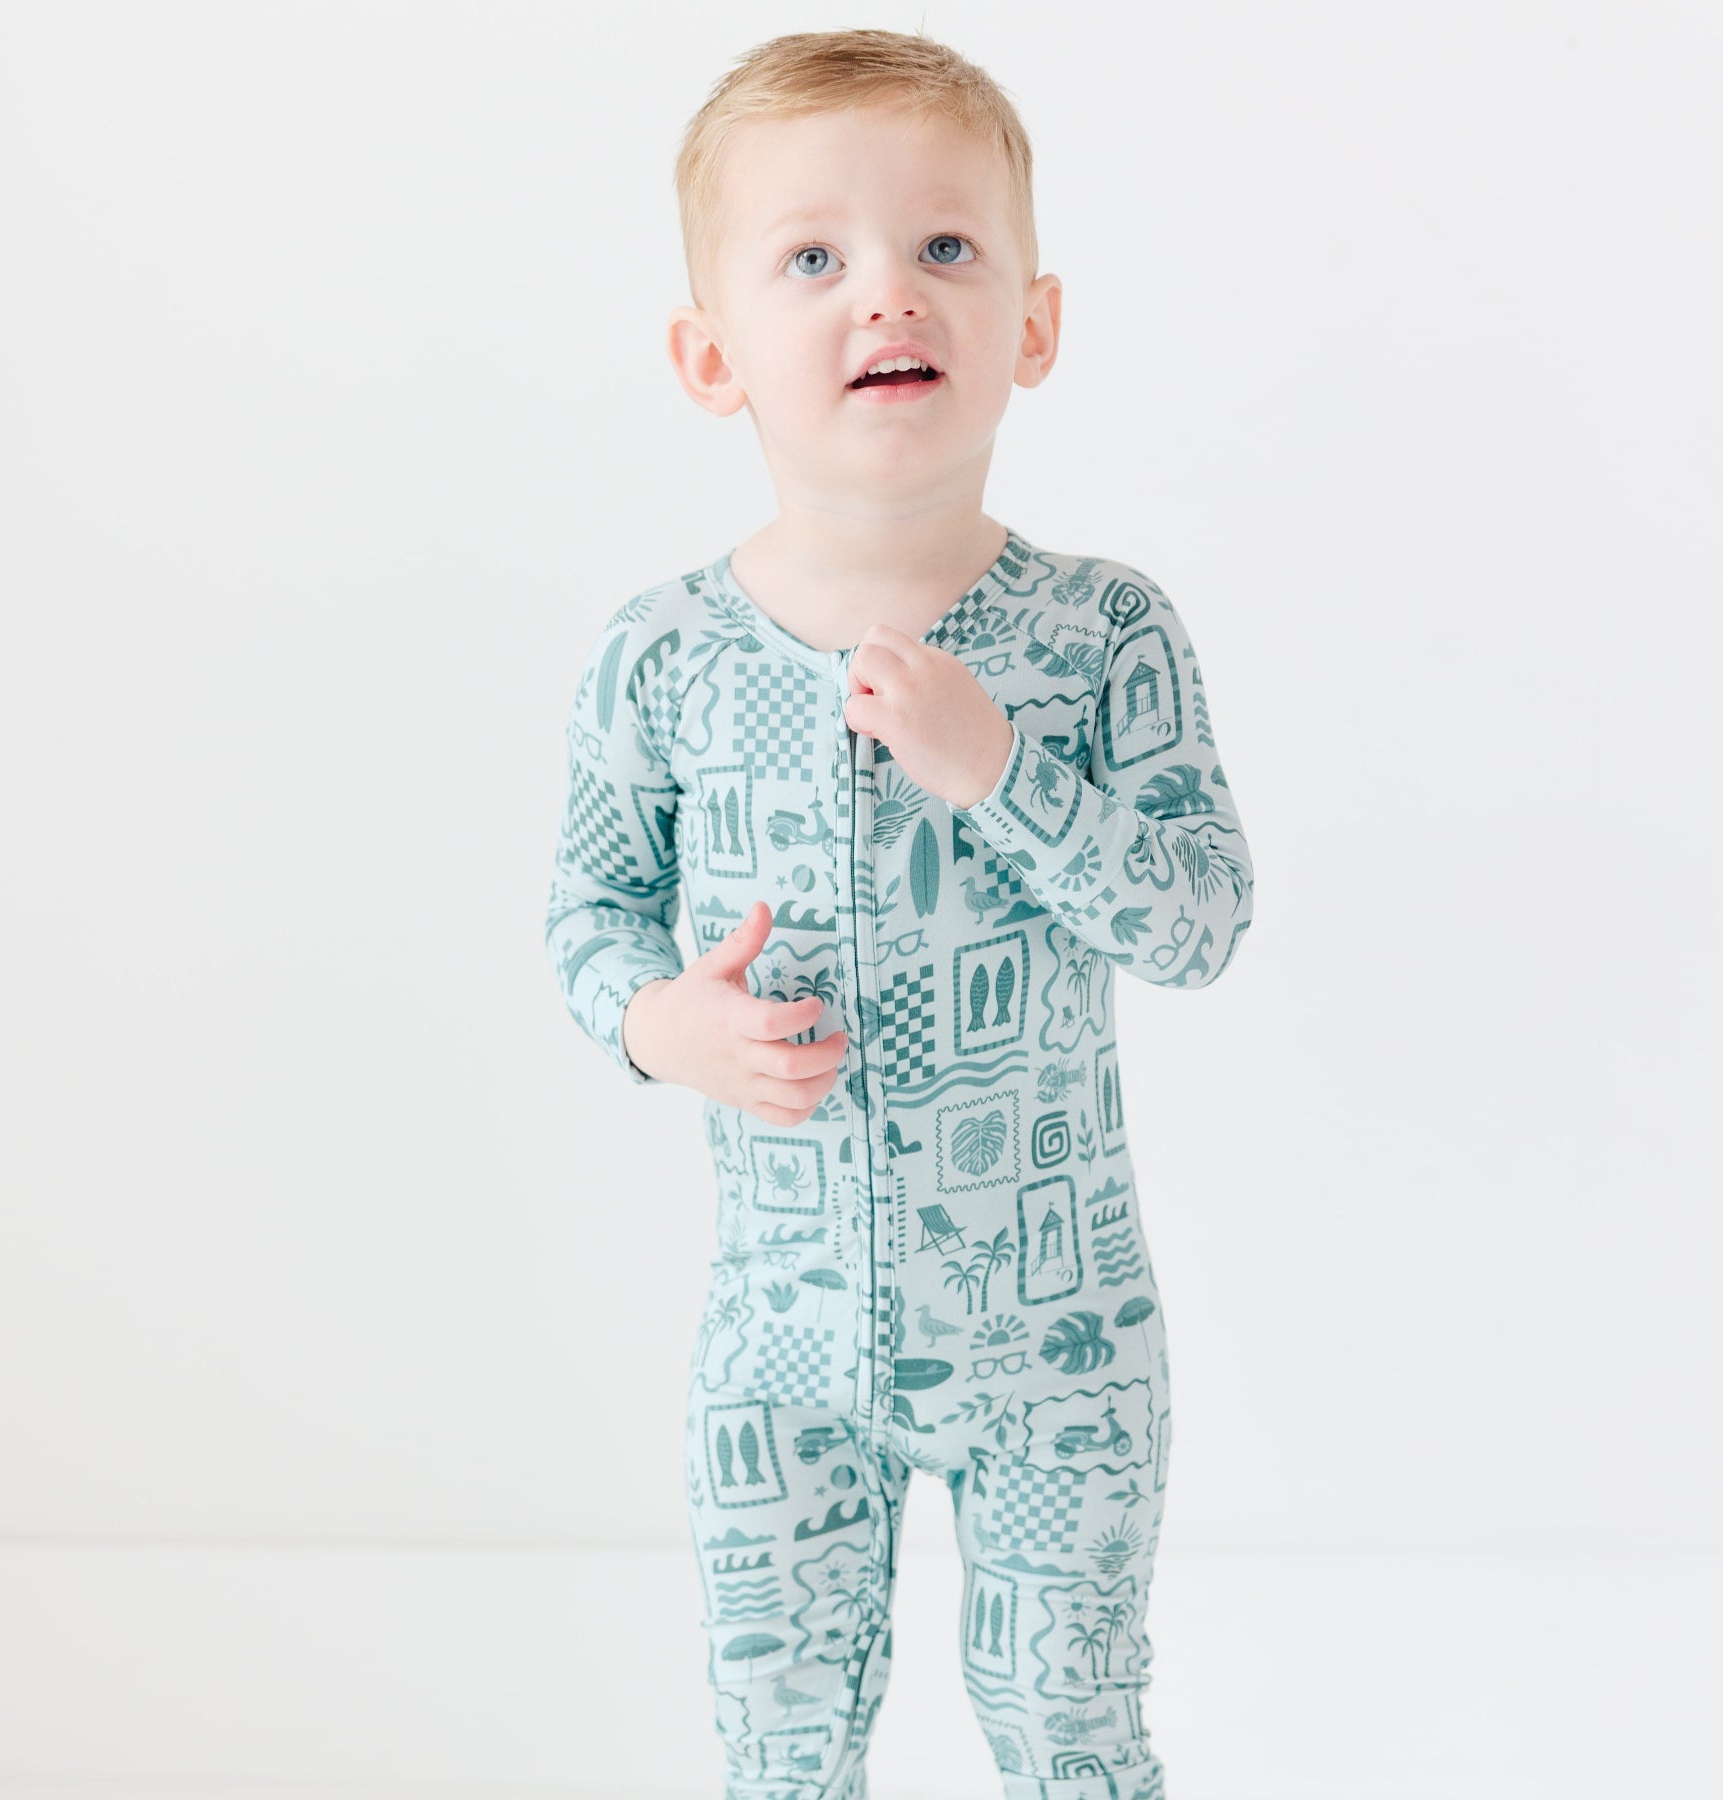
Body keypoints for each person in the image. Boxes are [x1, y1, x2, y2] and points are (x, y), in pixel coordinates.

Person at [544, 27, 1255, 1800]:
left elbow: (1197, 920)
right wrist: (659, 1027)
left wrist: (1001, 764)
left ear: (1035, 323)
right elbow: (587, 908)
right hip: (781, 1350)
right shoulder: (666, 657)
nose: (889, 299)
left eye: (946, 248)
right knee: (783, 1753)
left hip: (1063, 1347)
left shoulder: (1103, 638)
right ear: (714, 358)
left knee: (1069, 1730)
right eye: (814, 259)